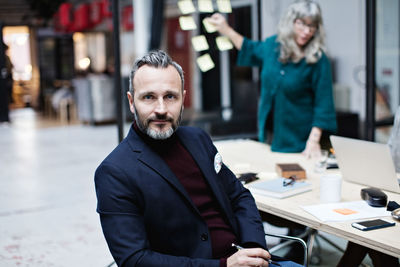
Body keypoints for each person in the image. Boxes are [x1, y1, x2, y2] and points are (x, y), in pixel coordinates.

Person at [95, 50, 302, 267]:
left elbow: (239, 196)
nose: (161, 109)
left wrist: (253, 249)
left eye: (170, 96)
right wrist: (225, 266)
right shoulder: (115, 172)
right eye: (149, 97)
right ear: (131, 101)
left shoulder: (198, 140)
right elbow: (134, 260)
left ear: (183, 99)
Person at [207, 0, 337, 157]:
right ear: (290, 22)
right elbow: (249, 47)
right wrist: (225, 29)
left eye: (312, 26)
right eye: (301, 24)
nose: (306, 31)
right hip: (270, 136)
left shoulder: (318, 60)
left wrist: (313, 141)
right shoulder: (273, 47)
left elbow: (324, 105)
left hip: (301, 142)